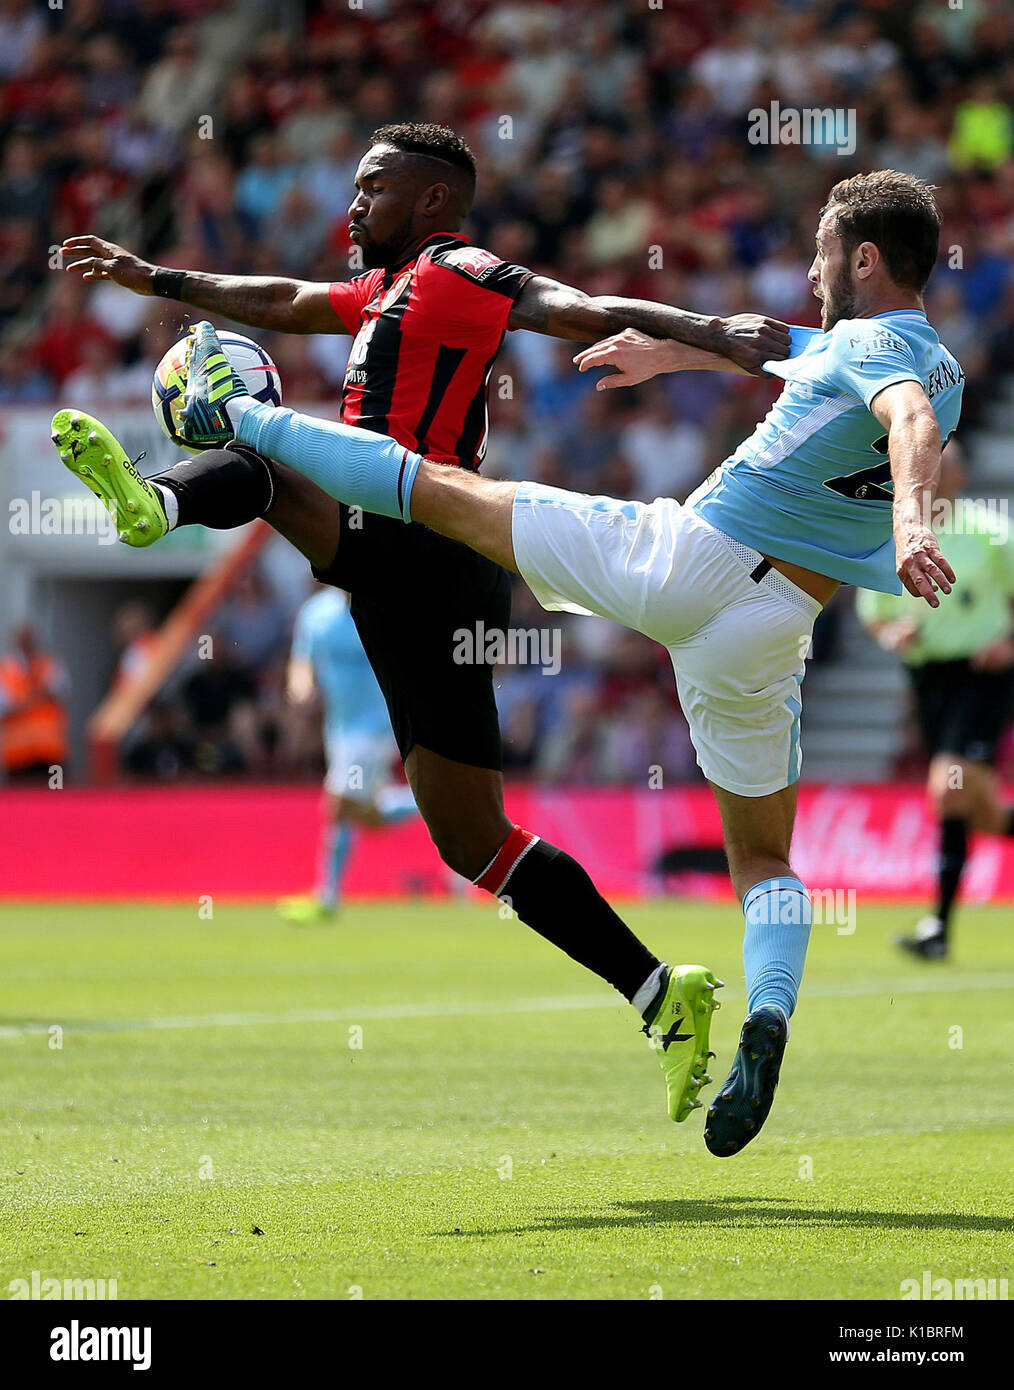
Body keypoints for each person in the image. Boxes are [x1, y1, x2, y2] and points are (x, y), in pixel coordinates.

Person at [55, 162, 961, 1155]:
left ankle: (232, 428)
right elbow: (810, 362)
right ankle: (750, 1013)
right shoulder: (923, 361)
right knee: (737, 854)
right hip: (773, 627)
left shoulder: (882, 360)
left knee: (430, 489)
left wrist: (914, 520)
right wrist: (676, 354)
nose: (813, 265)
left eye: (827, 250)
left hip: (682, 564)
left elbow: (899, 416)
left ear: (865, 259)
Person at [858, 440, 1014, 959]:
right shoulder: (899, 537)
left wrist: (1009, 642)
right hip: (927, 679)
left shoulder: (992, 533)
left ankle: (938, 929)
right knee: (984, 811)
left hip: (983, 674)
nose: (937, 473)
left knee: (948, 787)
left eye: (947, 465)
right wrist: (890, 635)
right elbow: (873, 610)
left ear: (961, 477)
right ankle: (939, 929)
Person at [278, 584, 417, 923]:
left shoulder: (384, 607)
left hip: (377, 727)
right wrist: (300, 689)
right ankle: (434, 805)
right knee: (366, 814)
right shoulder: (317, 613)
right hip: (338, 728)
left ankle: (327, 897)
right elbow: (302, 660)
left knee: (339, 804)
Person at [0, 625, 70, 780]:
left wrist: (30, 698)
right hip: (18, 756)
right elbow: (4, 706)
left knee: (55, 796)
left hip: (50, 752)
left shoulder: (49, 664)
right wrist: (32, 700)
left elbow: (61, 691)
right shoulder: (6, 670)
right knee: (21, 801)